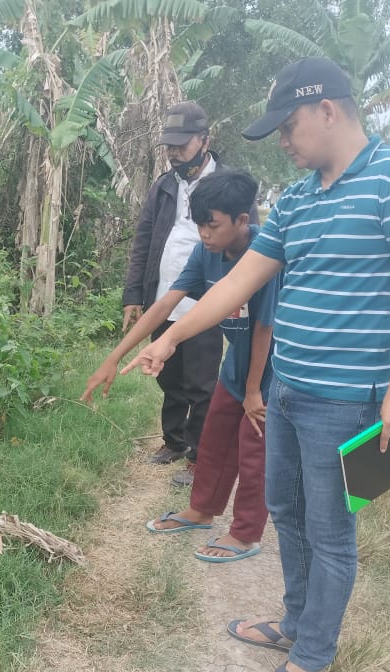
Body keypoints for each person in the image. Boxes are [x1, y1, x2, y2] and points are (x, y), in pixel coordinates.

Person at [123, 58, 390, 672]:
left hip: (346, 399)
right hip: (289, 391)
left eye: (290, 127)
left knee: (329, 533)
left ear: (328, 109)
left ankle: (313, 655)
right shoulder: (297, 200)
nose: (286, 143)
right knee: (289, 514)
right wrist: (169, 337)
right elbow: (237, 284)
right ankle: (295, 622)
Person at [83, 170, 279, 562]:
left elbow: (264, 327)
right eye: (200, 225)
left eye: (213, 225)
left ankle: (245, 534)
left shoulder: (265, 255)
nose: (205, 234)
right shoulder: (205, 253)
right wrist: (113, 356)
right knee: (214, 441)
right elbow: (165, 304)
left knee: (254, 453)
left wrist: (255, 389)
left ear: (243, 220)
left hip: (272, 375)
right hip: (236, 368)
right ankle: (201, 510)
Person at [122, 101, 257, 484]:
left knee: (201, 383)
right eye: (170, 145)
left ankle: (201, 456)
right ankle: (174, 440)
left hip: (208, 302)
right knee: (168, 376)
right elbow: (144, 240)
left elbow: (252, 249)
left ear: (205, 139)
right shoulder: (164, 186)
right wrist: (134, 294)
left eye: (182, 144)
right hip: (164, 296)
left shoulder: (231, 186)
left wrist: (238, 299)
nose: (175, 152)